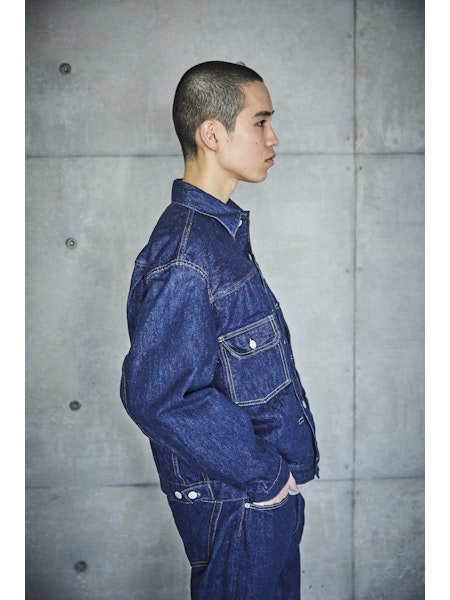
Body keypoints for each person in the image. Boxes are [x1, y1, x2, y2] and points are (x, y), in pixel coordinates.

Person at [120, 60, 319, 600]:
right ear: (212, 134)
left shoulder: (217, 238)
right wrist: (265, 478)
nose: (274, 138)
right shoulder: (187, 254)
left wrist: (275, 485)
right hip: (240, 503)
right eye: (261, 122)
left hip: (260, 501)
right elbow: (159, 396)